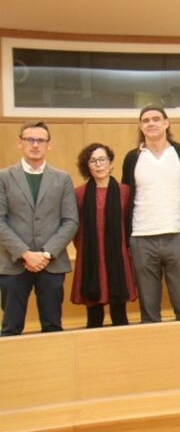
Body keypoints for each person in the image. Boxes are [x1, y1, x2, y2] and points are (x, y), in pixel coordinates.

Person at [0, 121, 78, 335]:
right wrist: (25, 254)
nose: (35, 145)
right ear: (20, 143)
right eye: (30, 139)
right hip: (13, 263)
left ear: (48, 145)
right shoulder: (4, 177)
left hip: (51, 264)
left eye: (40, 140)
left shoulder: (62, 179)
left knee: (53, 326)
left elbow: (71, 221)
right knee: (10, 328)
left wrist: (45, 254)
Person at [121, 104, 180, 323]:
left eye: (156, 119)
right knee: (149, 310)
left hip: (176, 236)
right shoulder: (132, 158)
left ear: (166, 123)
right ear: (140, 126)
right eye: (146, 120)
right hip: (141, 239)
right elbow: (126, 198)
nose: (151, 123)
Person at [71, 143, 138, 327]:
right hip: (90, 259)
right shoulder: (79, 194)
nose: (98, 164)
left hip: (118, 257)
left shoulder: (125, 192)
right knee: (93, 315)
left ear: (110, 164)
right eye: (93, 161)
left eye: (102, 159)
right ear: (87, 166)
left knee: (119, 314)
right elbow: (75, 229)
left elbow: (130, 224)